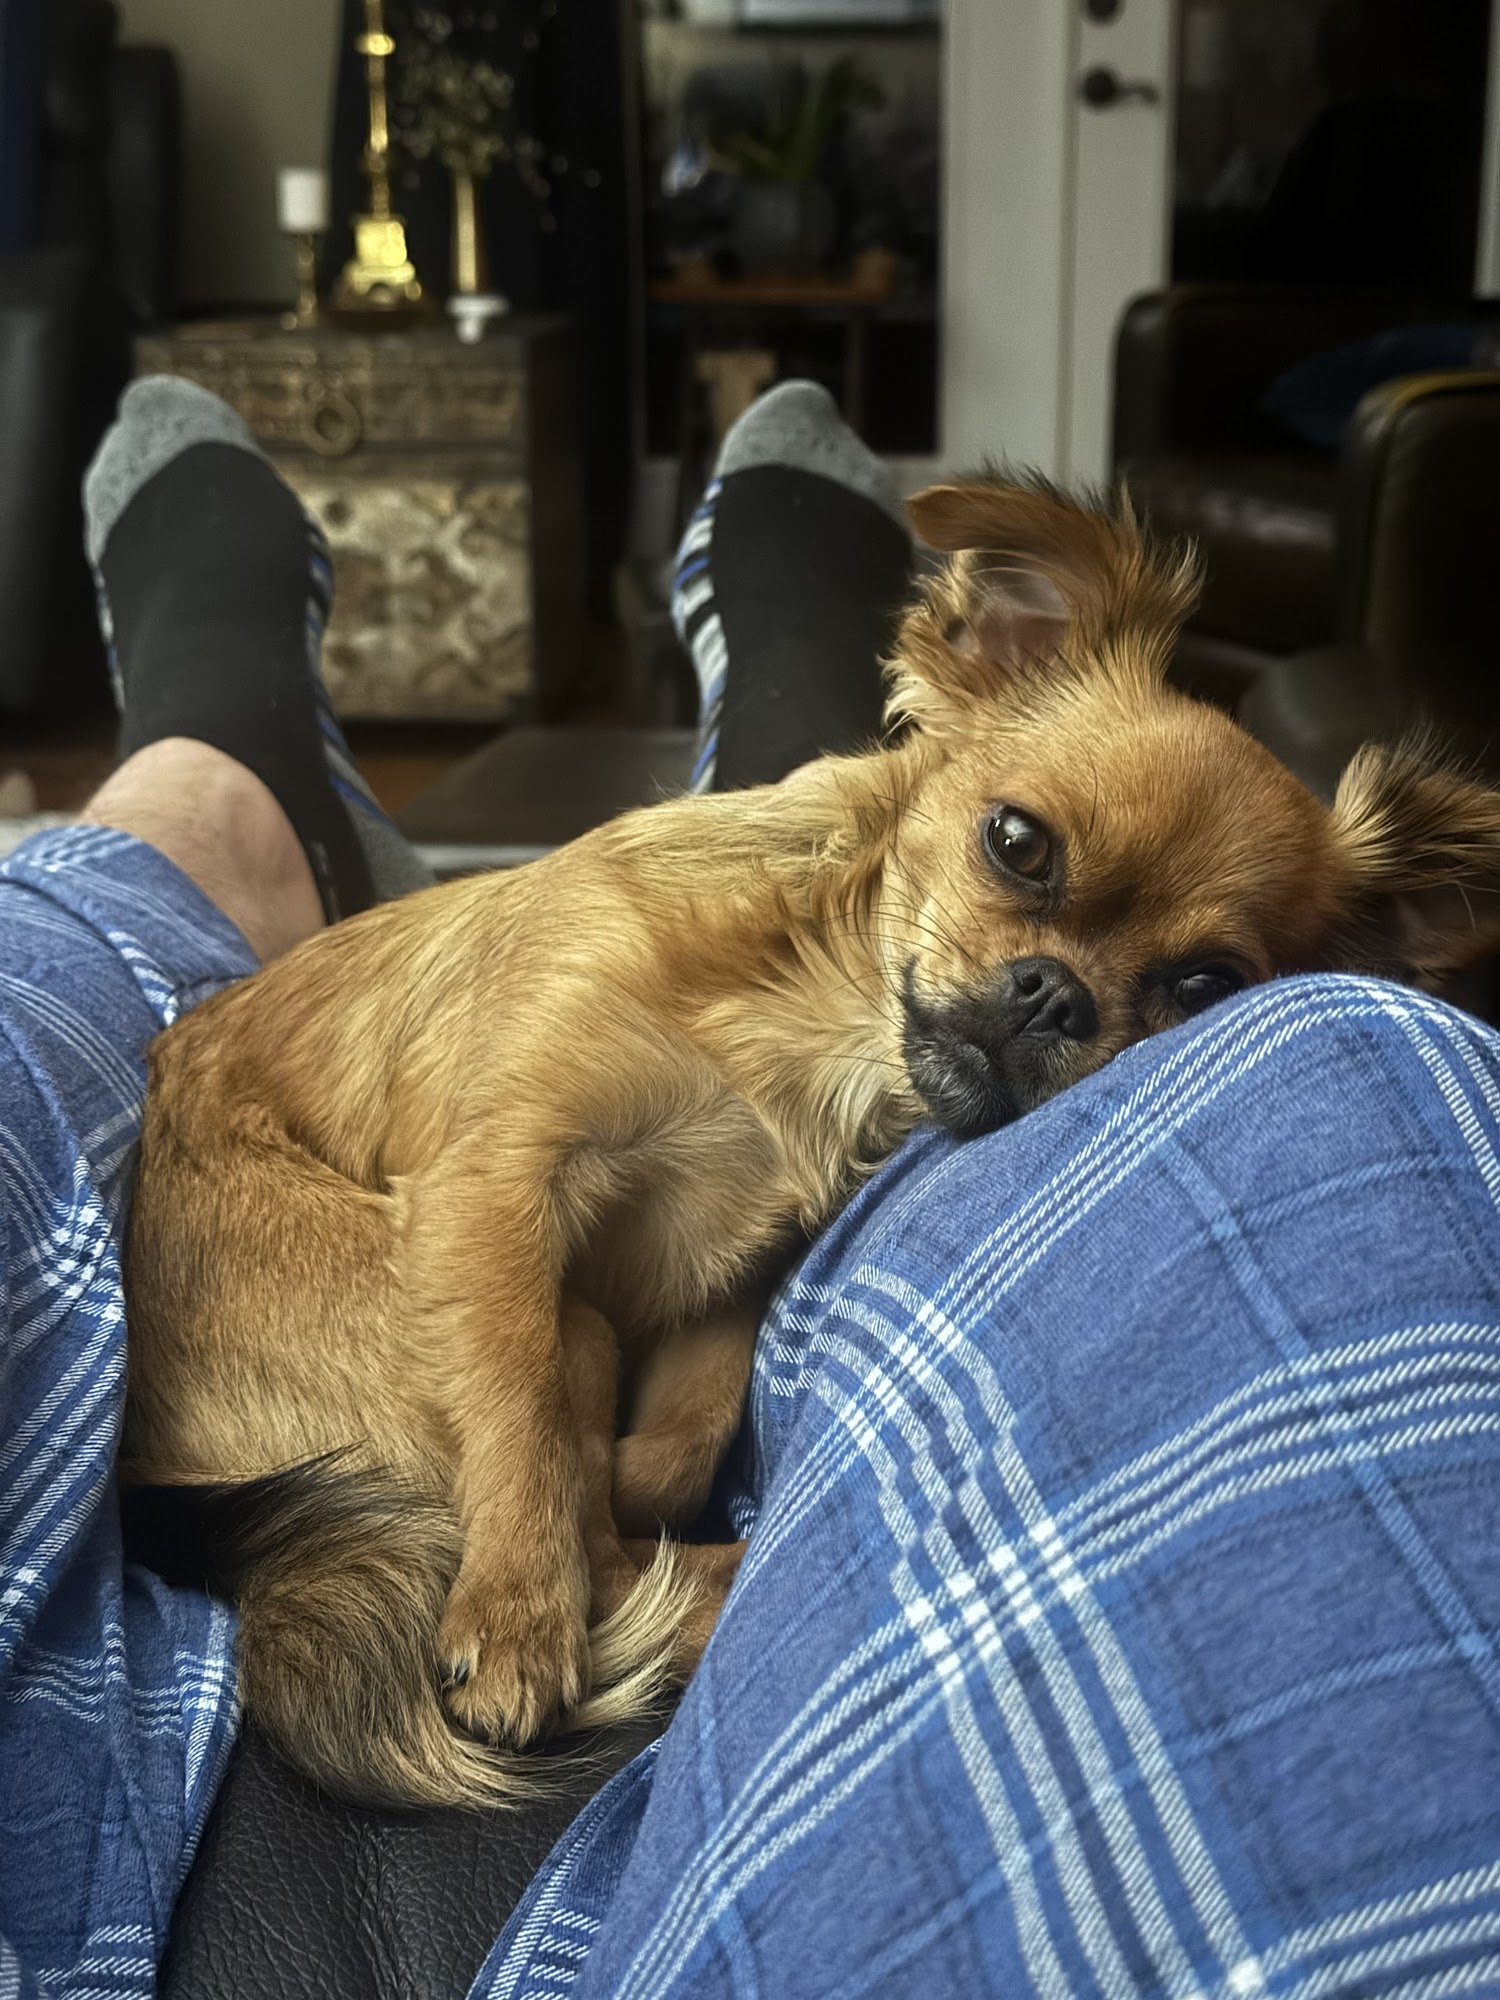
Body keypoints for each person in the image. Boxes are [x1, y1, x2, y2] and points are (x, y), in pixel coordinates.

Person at [2, 379, 1499, 1999]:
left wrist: (662, 1451)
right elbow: (491, 1190)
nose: (1056, 992)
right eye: (1022, 852)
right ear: (984, 660)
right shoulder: (643, 961)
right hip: (279, 1213)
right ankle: (248, 818)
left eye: (1191, 988)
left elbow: (703, 1281)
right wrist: (538, 1532)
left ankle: (211, 798)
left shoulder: (971, 1078)